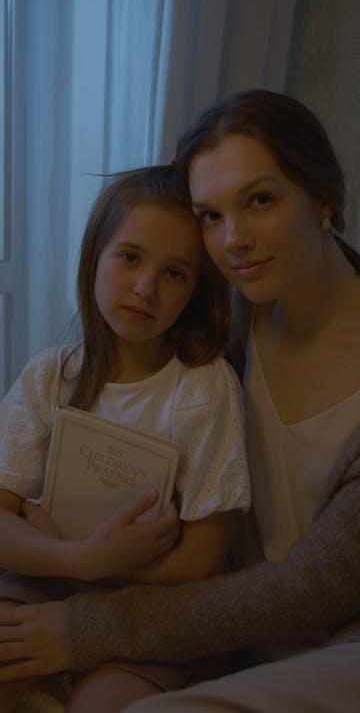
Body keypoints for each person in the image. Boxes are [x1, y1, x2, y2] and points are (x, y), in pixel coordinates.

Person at [1, 90, 360, 712]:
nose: (235, 241)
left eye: (260, 200)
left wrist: (90, 606)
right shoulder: (243, 322)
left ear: (324, 196)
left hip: (359, 638)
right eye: (211, 216)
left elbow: (316, 592)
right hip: (218, 619)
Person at [0, 164, 250, 712]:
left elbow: (205, 560)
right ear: (95, 257)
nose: (145, 288)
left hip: (149, 605)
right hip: (47, 581)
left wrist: (98, 561)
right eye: (130, 257)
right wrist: (75, 561)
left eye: (175, 273)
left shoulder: (205, 389)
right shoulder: (51, 376)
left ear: (195, 290)